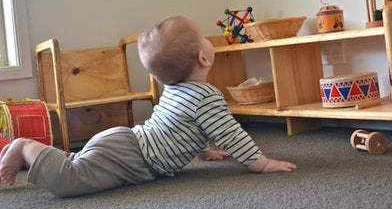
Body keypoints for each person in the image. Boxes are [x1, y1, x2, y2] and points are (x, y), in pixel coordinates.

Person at [0, 16, 296, 197]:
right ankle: (25, 146)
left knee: (80, 164)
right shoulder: (206, 96)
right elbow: (232, 134)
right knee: (71, 181)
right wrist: (262, 163)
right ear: (203, 59)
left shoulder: (175, 89)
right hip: (133, 155)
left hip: (129, 144)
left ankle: (40, 154)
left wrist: (203, 149)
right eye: (204, 38)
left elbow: (177, 125)